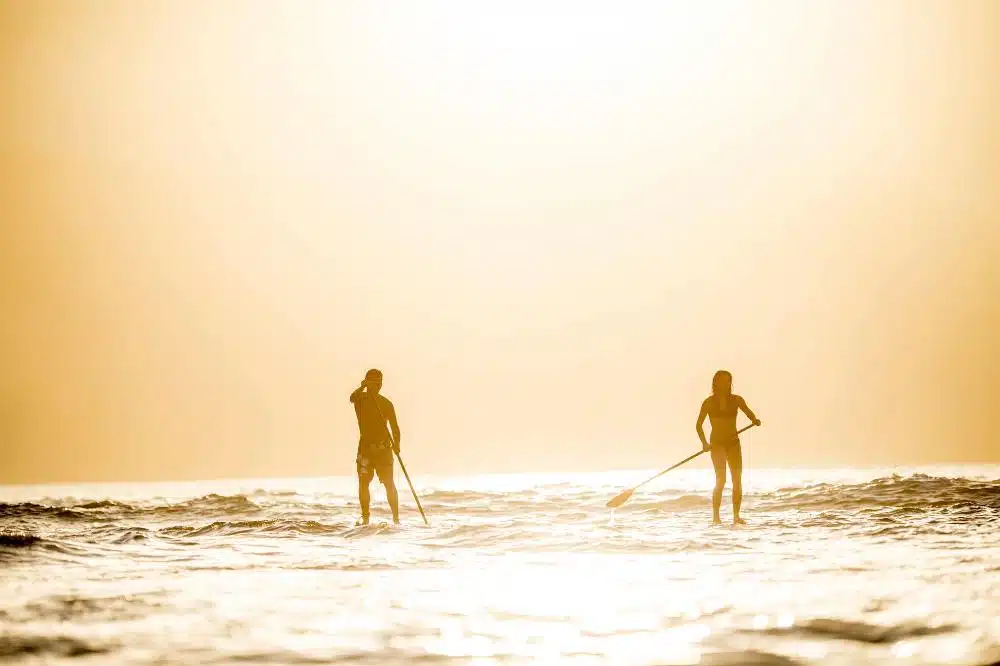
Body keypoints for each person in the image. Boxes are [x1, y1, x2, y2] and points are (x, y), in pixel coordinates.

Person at [695, 370, 761, 525]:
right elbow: (698, 425)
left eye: (728, 381)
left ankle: (736, 516)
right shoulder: (708, 402)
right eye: (722, 381)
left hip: (733, 443)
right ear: (715, 382)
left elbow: (749, 414)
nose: (725, 384)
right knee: (721, 480)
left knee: (737, 480)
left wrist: (754, 420)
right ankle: (716, 518)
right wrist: (704, 444)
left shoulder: (737, 400)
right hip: (717, 444)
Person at [349, 369, 401, 525]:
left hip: (383, 449)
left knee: (389, 483)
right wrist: (363, 387)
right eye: (374, 383)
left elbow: (395, 428)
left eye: (379, 383)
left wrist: (396, 445)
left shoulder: (386, 404)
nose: (377, 386)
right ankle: (365, 517)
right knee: (363, 482)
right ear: (367, 383)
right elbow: (352, 398)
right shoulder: (360, 399)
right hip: (365, 449)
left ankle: (396, 518)